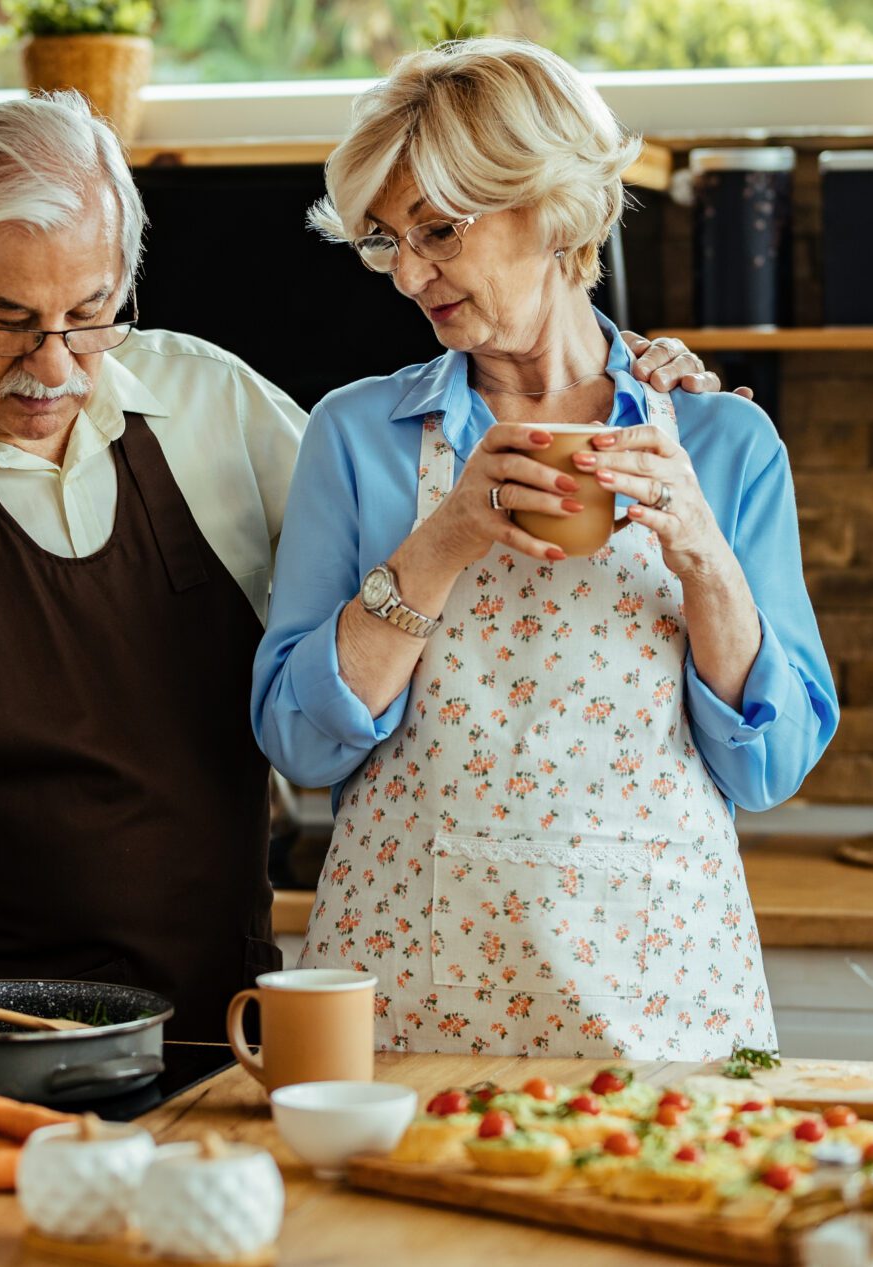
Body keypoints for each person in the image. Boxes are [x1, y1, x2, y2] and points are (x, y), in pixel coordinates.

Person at [0, 91, 724, 1039]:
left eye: (92, 315)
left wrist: (621, 375)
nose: (54, 365)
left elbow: (418, 551)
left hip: (226, 1032)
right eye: (6, 321)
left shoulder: (218, 409)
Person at [252, 40, 839, 1059]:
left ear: (555, 205)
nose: (409, 275)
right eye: (385, 240)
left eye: (436, 229)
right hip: (412, 992)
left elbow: (771, 765)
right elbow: (299, 745)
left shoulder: (719, 441)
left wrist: (703, 554)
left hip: (660, 996)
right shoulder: (356, 436)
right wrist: (441, 542)